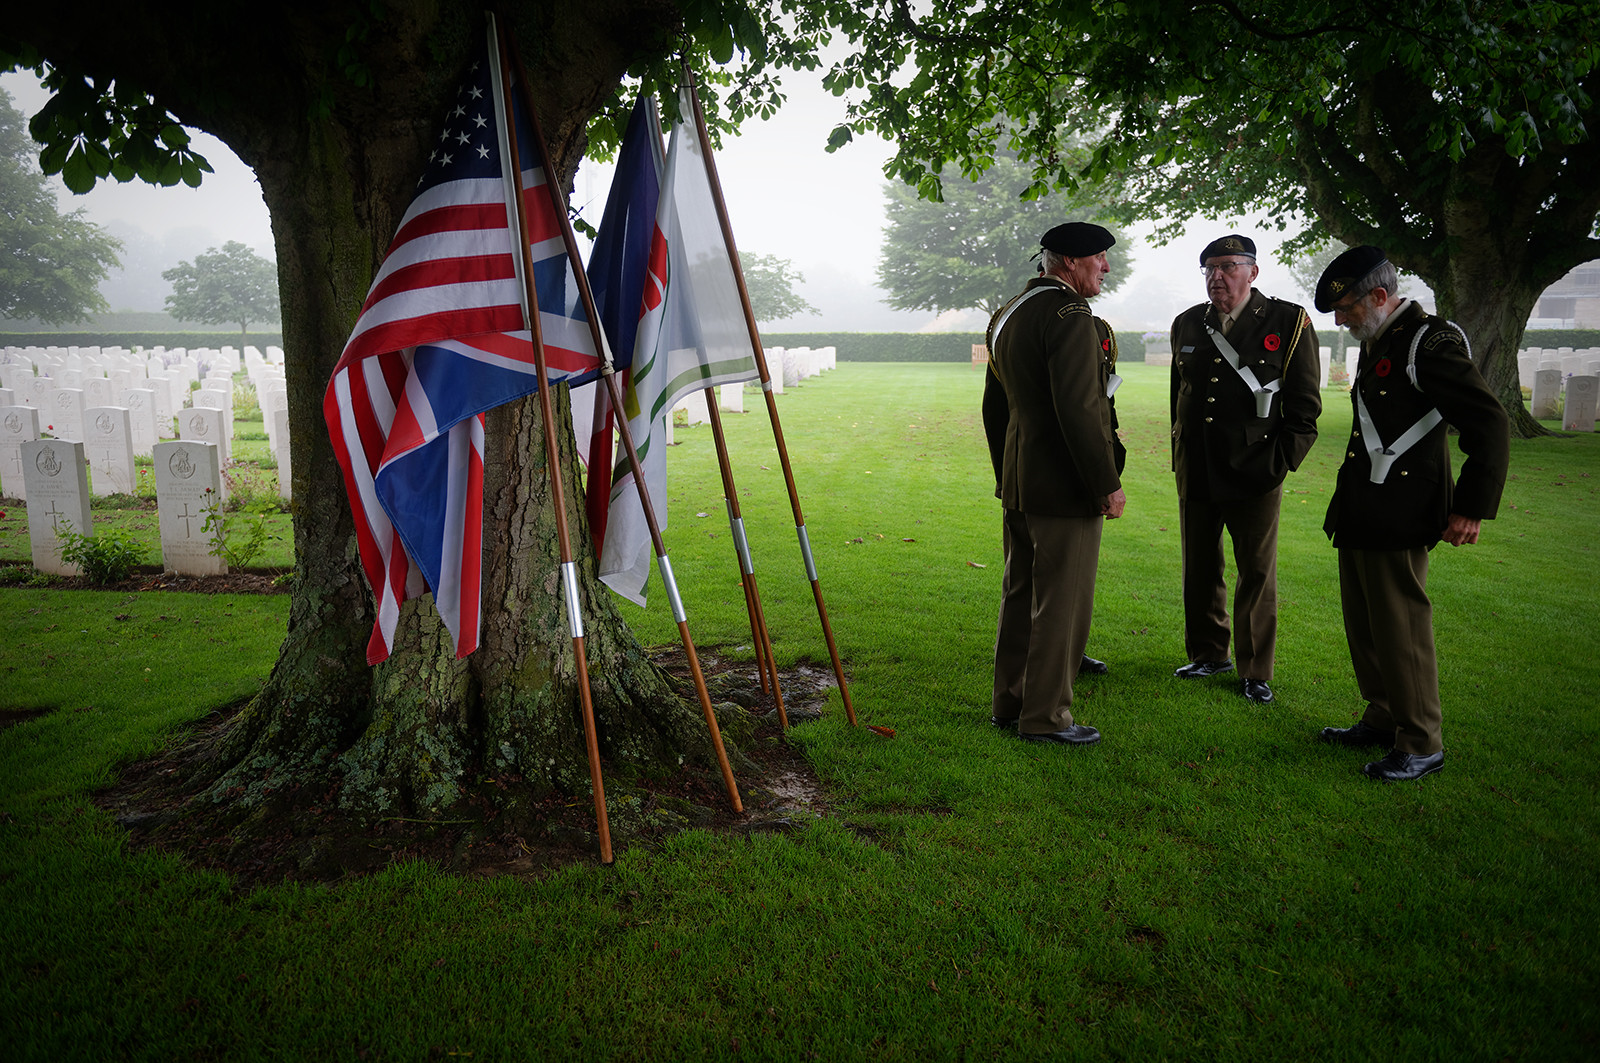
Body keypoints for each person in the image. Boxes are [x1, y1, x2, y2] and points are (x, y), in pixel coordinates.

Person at [1313, 245, 1510, 782]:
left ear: (1380, 296)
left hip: (1402, 508)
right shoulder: (1382, 337)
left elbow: (1489, 423)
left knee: (1401, 628)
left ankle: (1421, 741)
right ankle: (1383, 716)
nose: (1341, 320)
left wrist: (1471, 508)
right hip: (1363, 504)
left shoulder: (1429, 340)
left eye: (1347, 307)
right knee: (1367, 625)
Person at [981, 222, 1125, 745]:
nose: (1105, 267)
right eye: (1098, 258)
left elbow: (994, 407)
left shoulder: (1009, 313)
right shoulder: (1070, 315)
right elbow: (1081, 409)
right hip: (1065, 486)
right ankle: (1045, 718)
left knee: (1020, 595)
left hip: (1022, 481)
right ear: (1068, 262)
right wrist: (1105, 483)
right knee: (1062, 604)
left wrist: (1008, 475)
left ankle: (1010, 703)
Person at [1169, 234, 1322, 704]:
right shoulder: (1188, 322)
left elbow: (1304, 409)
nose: (1217, 276)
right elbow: (1180, 397)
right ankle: (1208, 652)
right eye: (1210, 268)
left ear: (1252, 272)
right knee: (1200, 566)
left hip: (1256, 468)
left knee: (1255, 571)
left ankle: (1255, 669)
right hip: (1198, 466)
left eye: (1228, 267)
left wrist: (1280, 463)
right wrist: (1179, 453)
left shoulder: (1288, 322)